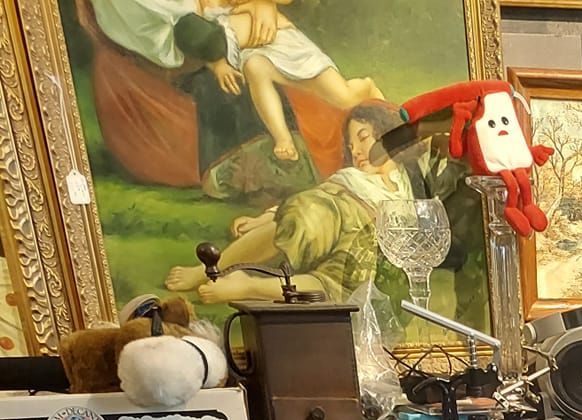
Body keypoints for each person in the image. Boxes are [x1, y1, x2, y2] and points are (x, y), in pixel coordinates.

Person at [165, 102, 410, 304]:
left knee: (337, 285)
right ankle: (208, 270)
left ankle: (248, 287)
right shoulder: (350, 179)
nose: (356, 151)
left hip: (366, 236)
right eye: (351, 146)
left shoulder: (407, 182)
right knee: (301, 220)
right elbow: (313, 199)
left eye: (363, 138)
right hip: (334, 214)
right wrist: (264, 218)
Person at [175, 0, 379, 165]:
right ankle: (283, 138)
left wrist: (263, 3)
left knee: (343, 97)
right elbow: (202, 40)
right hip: (249, 52)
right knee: (255, 68)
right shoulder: (198, 6)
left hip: (282, 41)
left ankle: (366, 86)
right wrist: (218, 64)